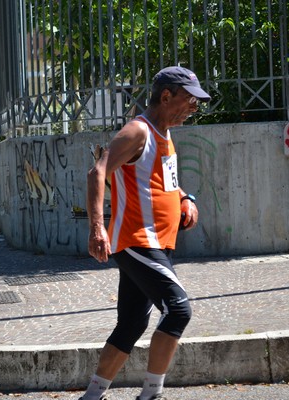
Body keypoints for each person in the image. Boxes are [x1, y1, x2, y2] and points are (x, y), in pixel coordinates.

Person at [83, 66, 210, 400]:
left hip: (157, 243)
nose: (194, 107)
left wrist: (185, 198)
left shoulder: (163, 134)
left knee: (131, 325)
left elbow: (162, 181)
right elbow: (97, 173)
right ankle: (151, 394)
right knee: (179, 309)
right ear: (166, 96)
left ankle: (92, 396)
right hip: (138, 239)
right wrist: (97, 228)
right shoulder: (138, 132)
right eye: (190, 99)